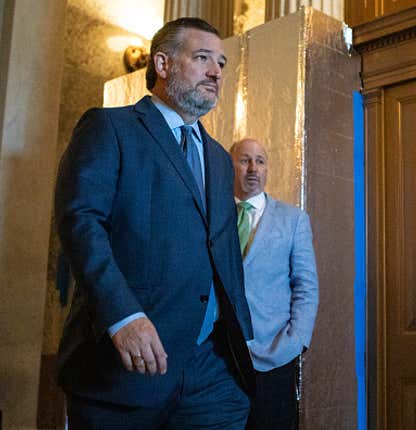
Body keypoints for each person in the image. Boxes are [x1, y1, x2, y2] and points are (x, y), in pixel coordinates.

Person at [55, 17, 255, 430]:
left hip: (210, 373)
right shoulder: (110, 128)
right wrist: (123, 317)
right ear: (162, 65)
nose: (216, 71)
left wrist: (241, 338)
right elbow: (81, 222)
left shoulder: (219, 158)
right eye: (202, 58)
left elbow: (222, 251)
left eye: (221, 62)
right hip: (127, 368)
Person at [230, 138, 319, 430]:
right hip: (218, 356)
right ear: (230, 166)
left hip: (273, 354)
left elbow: (306, 286)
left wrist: (296, 342)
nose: (253, 168)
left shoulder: (293, 219)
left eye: (261, 161)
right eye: (244, 160)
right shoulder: (213, 217)